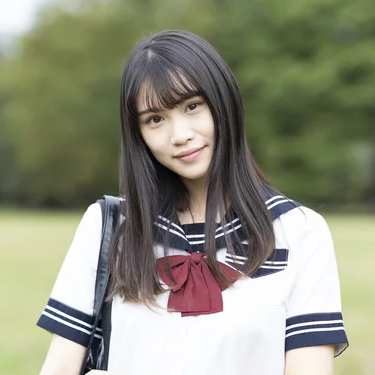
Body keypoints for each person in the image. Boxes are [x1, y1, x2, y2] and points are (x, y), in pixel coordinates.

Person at [36, 30, 349, 375]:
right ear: (138, 134)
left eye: (192, 106)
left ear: (224, 102)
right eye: (155, 119)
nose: (180, 134)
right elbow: (61, 366)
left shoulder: (298, 231)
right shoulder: (110, 225)